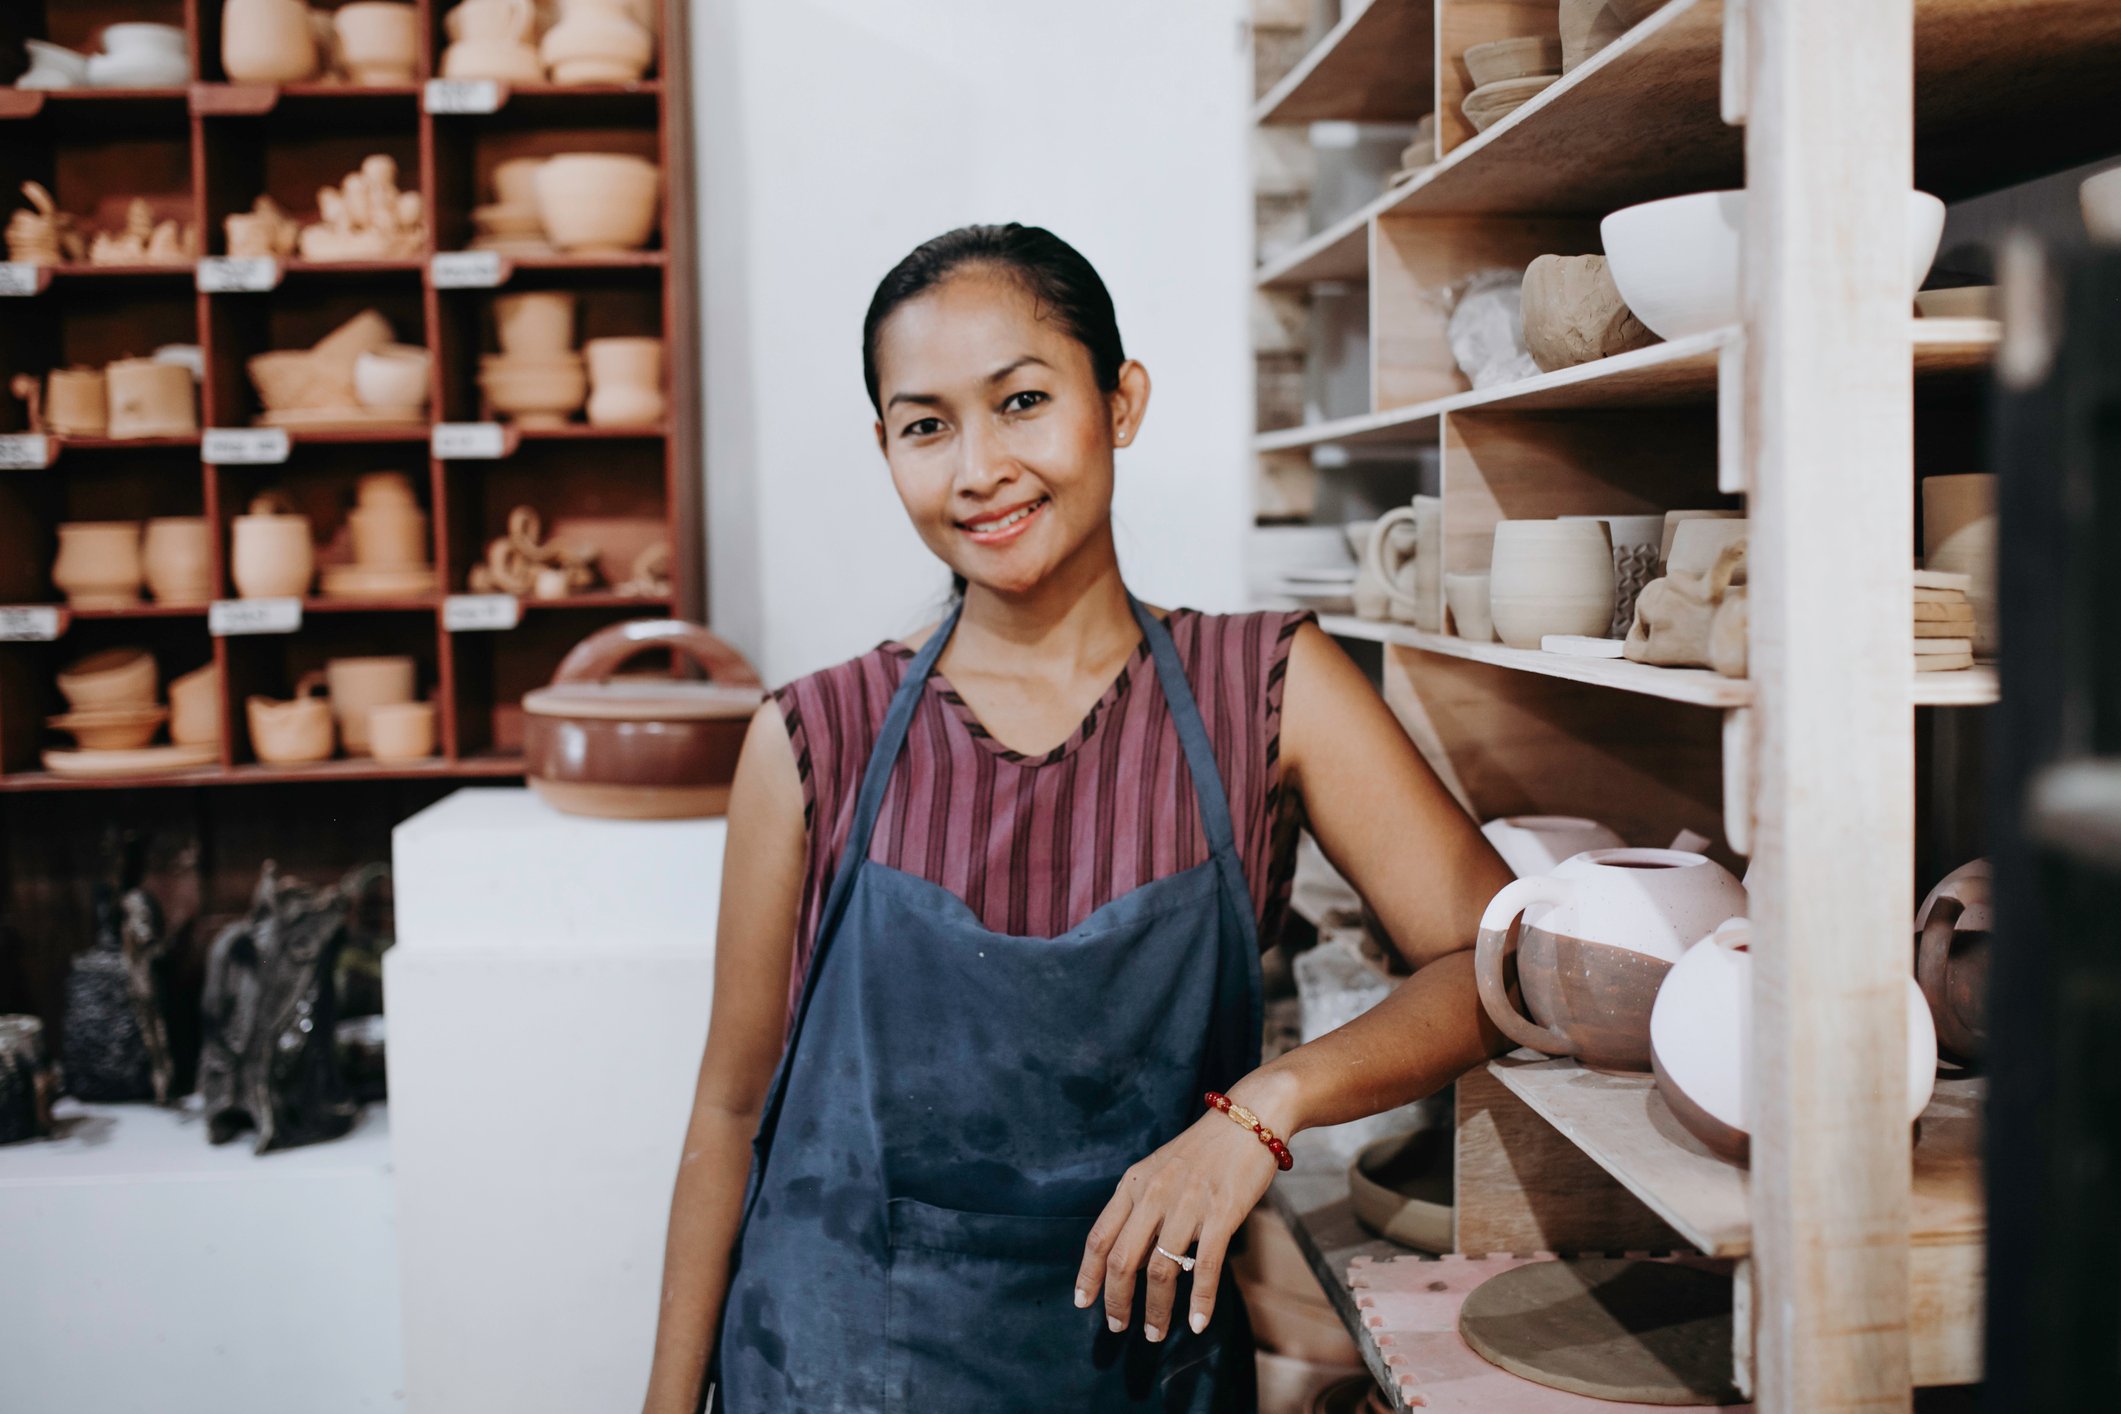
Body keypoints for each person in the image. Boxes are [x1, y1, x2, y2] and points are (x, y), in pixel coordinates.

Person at [640, 223, 1512, 1413]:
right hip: (833, 1368)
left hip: (1138, 1373)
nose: (979, 467)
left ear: (1122, 401)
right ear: (888, 448)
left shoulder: (1263, 687)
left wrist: (1266, 1107)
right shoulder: (810, 738)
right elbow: (732, 1108)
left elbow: (1493, 962)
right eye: (927, 425)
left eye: (1023, 401)